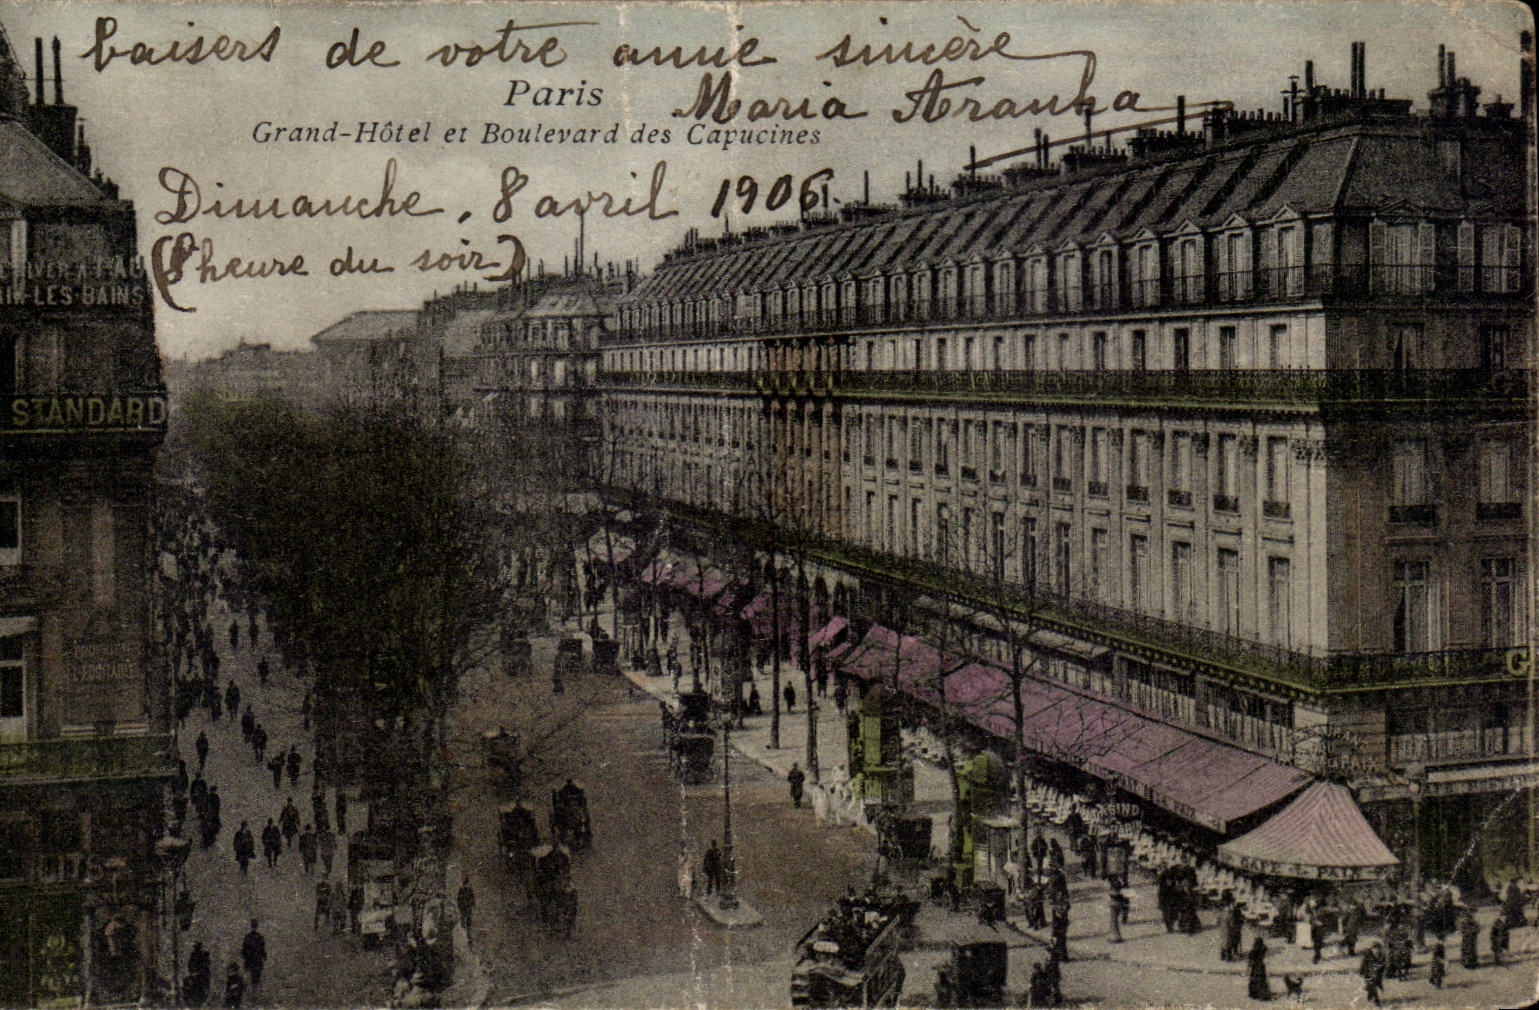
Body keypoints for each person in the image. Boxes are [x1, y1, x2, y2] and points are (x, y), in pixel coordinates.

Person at [240, 919, 267, 987]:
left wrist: (244, 955)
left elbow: (243, 951)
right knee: (255, 979)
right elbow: (262, 950)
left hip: (250, 961)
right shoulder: (260, 937)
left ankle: (250, 991)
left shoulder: (248, 937)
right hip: (256, 961)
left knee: (249, 978)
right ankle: (253, 992)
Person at [186, 941, 212, 1007]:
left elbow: (205, 967)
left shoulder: (203, 955)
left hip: (201, 977)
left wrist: (198, 973)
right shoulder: (194, 955)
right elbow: (190, 965)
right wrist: (192, 973)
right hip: (196, 977)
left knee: (200, 991)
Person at [1247, 935, 1270, 1001]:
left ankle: (1255, 994)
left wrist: (1249, 965)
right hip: (1260, 967)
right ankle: (1262, 994)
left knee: (1255, 981)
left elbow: (1250, 959)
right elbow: (1265, 949)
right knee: (1261, 981)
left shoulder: (1253, 951)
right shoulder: (1263, 950)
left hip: (1255, 968)